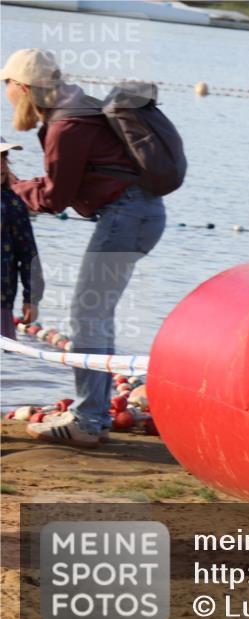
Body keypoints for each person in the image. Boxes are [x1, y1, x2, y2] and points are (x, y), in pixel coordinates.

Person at [2, 48, 167, 446]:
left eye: (7, 87)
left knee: (88, 313)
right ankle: (94, 414)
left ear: (23, 87)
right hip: (139, 213)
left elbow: (56, 197)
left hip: (126, 216)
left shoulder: (67, 125)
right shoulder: (78, 108)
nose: (7, 96)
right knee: (96, 313)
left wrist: (14, 189)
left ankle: (89, 420)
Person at [1, 138, 44, 339]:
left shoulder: (13, 204)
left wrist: (31, 298)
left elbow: (28, 254)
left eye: (3, 158)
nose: (1, 165)